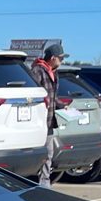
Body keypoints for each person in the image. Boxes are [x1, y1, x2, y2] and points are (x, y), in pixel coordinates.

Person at [29, 43, 65, 186]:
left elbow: (52, 96)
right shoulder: (38, 71)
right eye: (60, 58)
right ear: (52, 58)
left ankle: (45, 184)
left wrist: (63, 106)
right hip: (38, 121)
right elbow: (35, 95)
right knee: (37, 154)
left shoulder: (54, 72)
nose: (62, 61)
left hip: (49, 121)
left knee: (49, 153)